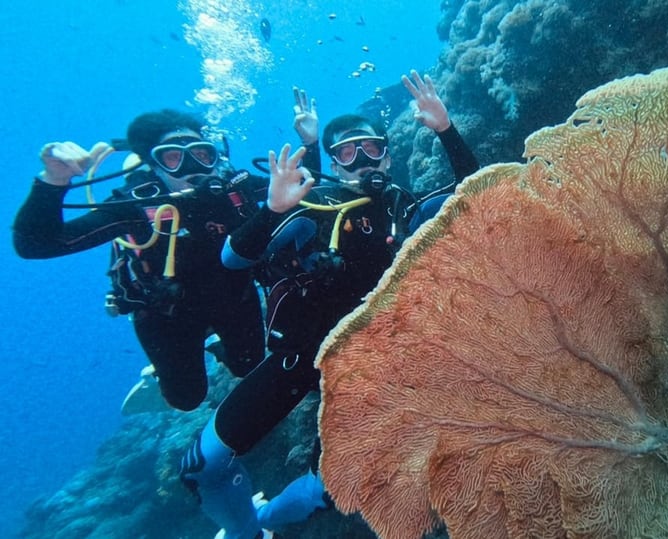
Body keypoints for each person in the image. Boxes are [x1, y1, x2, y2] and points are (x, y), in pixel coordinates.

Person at [179, 70, 479, 539]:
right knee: (202, 466)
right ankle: (243, 533)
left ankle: (266, 518)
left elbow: (476, 192)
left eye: (371, 148)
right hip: (300, 360)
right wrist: (272, 210)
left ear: (389, 151)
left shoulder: (405, 208)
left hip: (376, 367)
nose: (362, 161)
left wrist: (445, 129)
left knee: (333, 484)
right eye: (346, 152)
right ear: (335, 165)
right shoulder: (311, 206)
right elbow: (233, 257)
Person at [13, 110, 269, 411]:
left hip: (233, 298)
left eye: (202, 154)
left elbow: (309, 189)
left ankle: (215, 344)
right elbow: (36, 244)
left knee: (249, 368)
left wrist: (310, 141)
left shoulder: (236, 190)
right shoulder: (135, 205)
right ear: (153, 165)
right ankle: (158, 375)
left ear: (217, 157)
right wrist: (53, 183)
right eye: (173, 157)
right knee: (187, 400)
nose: (192, 167)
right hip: (167, 314)